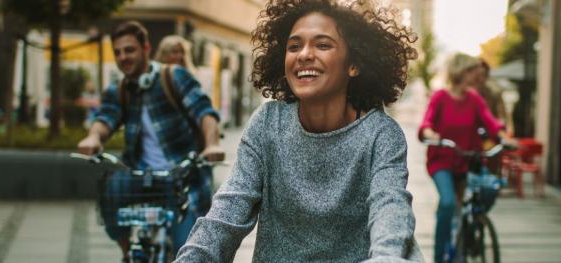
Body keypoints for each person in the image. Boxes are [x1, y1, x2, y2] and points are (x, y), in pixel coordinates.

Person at [175, 0, 422, 261]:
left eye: (322, 44)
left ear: (354, 64)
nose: (303, 54)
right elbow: (227, 211)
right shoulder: (267, 124)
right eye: (294, 46)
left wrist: (387, 257)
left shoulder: (381, 134)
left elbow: (391, 209)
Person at [76, 20, 225, 263]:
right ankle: (128, 254)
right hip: (140, 175)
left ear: (146, 49)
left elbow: (204, 112)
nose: (123, 57)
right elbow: (105, 118)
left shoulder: (174, 76)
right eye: (118, 52)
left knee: (184, 250)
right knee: (111, 191)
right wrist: (93, 137)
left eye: (130, 50)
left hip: (180, 178)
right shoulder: (120, 90)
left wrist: (212, 144)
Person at [419, 52, 505, 263]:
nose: (476, 74)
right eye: (471, 70)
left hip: (467, 161)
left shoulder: (474, 99)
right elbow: (426, 123)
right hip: (442, 162)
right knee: (448, 203)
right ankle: (439, 258)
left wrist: (504, 137)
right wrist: (431, 134)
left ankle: (469, 234)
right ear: (460, 71)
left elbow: (490, 123)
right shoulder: (440, 97)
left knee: (488, 191)